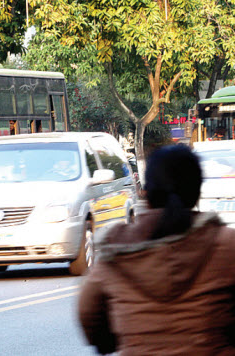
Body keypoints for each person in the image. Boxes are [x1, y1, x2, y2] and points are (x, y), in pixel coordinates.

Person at [78, 145, 235, 355]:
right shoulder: (226, 245)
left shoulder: (116, 250)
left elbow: (89, 315)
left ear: (146, 193)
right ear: (196, 192)